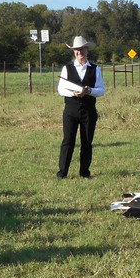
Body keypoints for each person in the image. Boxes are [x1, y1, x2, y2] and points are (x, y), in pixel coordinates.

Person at [56, 35, 105, 179]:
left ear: (87, 50)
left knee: (87, 143)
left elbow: (101, 90)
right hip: (71, 110)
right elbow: (60, 90)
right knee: (68, 141)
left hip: (88, 111)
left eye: (82, 49)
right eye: (77, 50)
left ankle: (84, 173)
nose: (79, 52)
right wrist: (74, 93)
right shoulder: (67, 68)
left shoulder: (95, 69)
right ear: (74, 52)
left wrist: (89, 91)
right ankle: (62, 173)